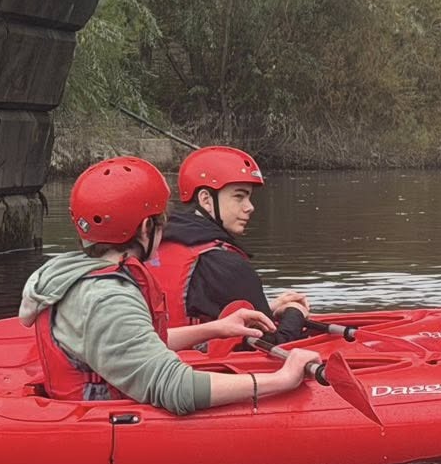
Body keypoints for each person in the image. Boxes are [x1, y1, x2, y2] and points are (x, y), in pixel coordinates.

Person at [20, 156, 322, 410]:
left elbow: (135, 343)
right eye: (161, 223)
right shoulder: (107, 296)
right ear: (144, 228)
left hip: (89, 402)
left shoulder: (77, 275)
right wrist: (282, 378)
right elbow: (172, 387)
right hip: (99, 416)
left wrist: (216, 328)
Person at [148, 145, 314, 341]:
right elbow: (274, 342)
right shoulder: (226, 264)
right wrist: (295, 313)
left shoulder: (154, 243)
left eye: (249, 197)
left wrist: (268, 307)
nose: (250, 207)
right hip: (199, 365)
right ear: (206, 200)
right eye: (239, 196)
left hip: (161, 356)